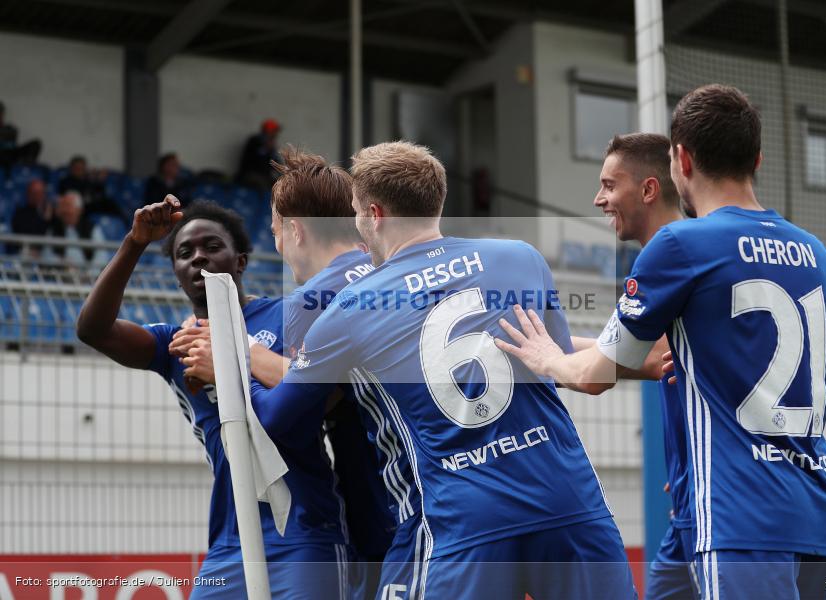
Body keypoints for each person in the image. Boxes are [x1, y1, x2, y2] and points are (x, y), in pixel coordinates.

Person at [497, 84, 826, 600]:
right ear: (756, 159)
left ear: (681, 160)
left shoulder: (682, 245)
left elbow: (594, 374)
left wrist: (546, 357)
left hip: (738, 512)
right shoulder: (816, 252)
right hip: (815, 507)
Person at [245, 141, 642, 599]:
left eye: (356, 212)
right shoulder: (520, 257)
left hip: (466, 519)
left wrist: (239, 358)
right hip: (568, 502)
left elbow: (280, 420)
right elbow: (551, 358)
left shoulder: (347, 306)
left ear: (374, 214)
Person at [75, 197, 351, 599]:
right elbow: (93, 330)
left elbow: (321, 395)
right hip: (229, 542)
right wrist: (135, 244)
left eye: (212, 246)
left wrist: (231, 357)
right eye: (185, 253)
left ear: (240, 261)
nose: (199, 257)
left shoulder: (289, 315)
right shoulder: (175, 343)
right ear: (176, 274)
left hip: (306, 531)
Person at [175, 147, 395, 600]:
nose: (277, 244)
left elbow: (297, 406)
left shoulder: (308, 300)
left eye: (275, 231)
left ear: (294, 231)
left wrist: (232, 357)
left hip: (392, 505)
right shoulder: (393, 268)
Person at [592, 133, 697, 600]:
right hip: (690, 505)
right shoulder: (700, 253)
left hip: (722, 507)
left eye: (609, 185)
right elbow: (651, 359)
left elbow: (592, 374)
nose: (599, 199)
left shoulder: (672, 252)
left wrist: (535, 358)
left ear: (649, 190)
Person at [58, 155, 128, 225]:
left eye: (81, 168)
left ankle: (126, 224)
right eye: (77, 168)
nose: (79, 170)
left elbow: (99, 192)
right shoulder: (66, 181)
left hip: (90, 204)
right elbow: (67, 197)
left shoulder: (87, 180)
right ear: (72, 168)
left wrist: (100, 181)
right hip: (77, 207)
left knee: (109, 202)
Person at [47, 191, 101, 265]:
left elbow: (101, 256)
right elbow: (46, 256)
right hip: (60, 274)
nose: (65, 210)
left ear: (79, 210)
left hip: (88, 274)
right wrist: (60, 262)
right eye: (62, 206)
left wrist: (89, 274)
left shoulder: (92, 229)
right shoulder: (54, 229)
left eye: (68, 206)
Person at [10, 179, 53, 257]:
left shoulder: (51, 212)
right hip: (27, 250)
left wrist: (48, 218)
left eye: (41, 193)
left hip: (48, 252)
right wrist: (44, 220)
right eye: (34, 193)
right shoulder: (20, 214)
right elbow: (22, 235)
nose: (38, 196)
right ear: (28, 194)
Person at [236, 119, 281, 189]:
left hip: (265, 176)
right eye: (274, 131)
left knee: (280, 185)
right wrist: (266, 148)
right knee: (264, 185)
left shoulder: (270, 144)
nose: (276, 134)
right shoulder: (255, 141)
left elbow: (276, 162)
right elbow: (257, 160)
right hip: (251, 174)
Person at [0, 101, 41, 172]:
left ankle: (25, 170)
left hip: (10, 154)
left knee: (35, 144)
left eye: (1, 113)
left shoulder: (9, 128)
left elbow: (11, 143)